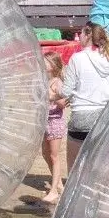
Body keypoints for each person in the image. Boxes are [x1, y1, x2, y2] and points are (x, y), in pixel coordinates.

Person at [60, 23, 109, 167]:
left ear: (88, 35)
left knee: (75, 168)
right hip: (104, 116)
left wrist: (54, 91)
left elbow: (66, 91)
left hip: (82, 116)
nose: (79, 37)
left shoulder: (77, 58)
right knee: (100, 166)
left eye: (81, 34)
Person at [40, 50, 68, 204]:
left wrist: (51, 96)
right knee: (45, 153)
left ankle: (54, 191)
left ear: (52, 65)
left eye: (46, 62)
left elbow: (64, 103)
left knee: (54, 156)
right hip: (45, 121)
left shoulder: (57, 83)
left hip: (55, 121)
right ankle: (58, 184)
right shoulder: (45, 81)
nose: (43, 64)